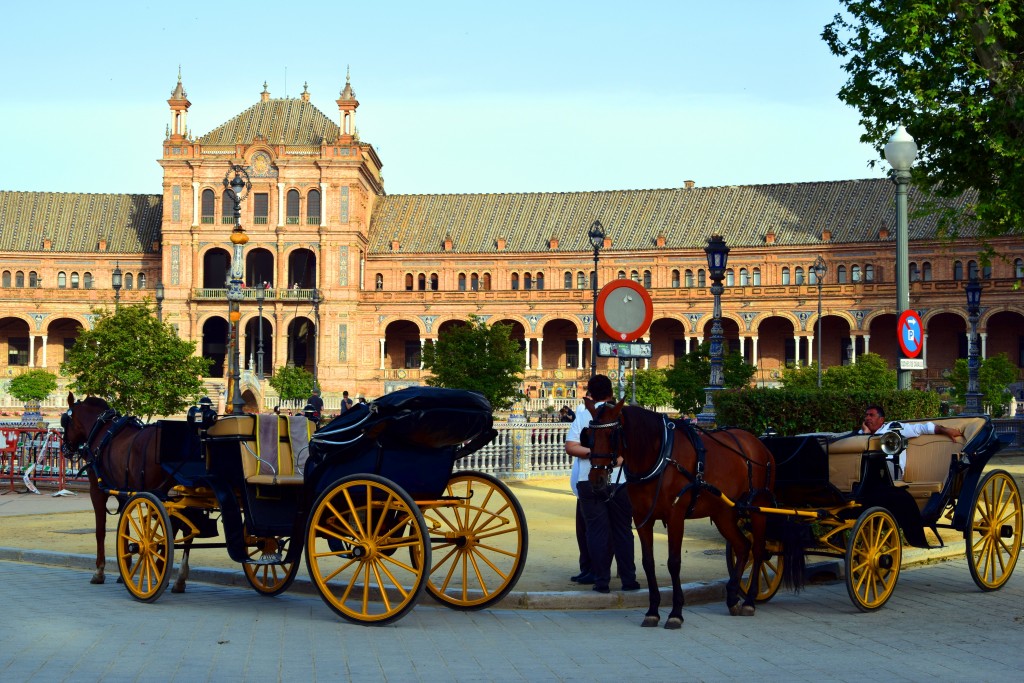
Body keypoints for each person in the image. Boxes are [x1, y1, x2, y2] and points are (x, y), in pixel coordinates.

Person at [564, 374, 639, 594]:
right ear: (611, 392)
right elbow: (631, 449)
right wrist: (613, 458)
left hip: (588, 480)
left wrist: (593, 454)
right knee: (623, 531)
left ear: (590, 393)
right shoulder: (620, 413)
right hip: (618, 480)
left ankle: (601, 581)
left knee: (596, 531)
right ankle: (628, 579)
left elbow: (570, 446)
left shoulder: (585, 413)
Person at [859, 404, 962, 479]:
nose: (867, 418)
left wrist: (945, 430)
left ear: (881, 420)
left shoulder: (893, 427)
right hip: (868, 468)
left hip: (891, 468)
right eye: (866, 415)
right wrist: (866, 434)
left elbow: (921, 428)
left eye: (871, 415)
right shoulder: (861, 433)